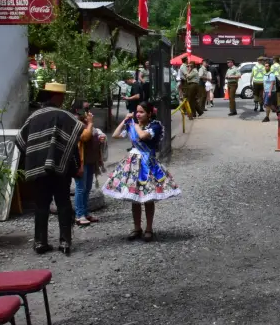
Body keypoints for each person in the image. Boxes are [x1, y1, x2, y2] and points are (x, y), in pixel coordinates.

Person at [15, 82, 86, 256]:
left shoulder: (34, 117)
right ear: (56, 96)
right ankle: (65, 242)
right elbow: (73, 145)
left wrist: (34, 156)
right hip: (61, 169)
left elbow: (20, 140)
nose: (63, 98)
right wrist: (77, 166)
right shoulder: (66, 116)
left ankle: (40, 242)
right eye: (62, 95)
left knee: (41, 204)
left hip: (38, 168)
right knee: (63, 203)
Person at [103, 101, 180, 241]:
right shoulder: (133, 124)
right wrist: (125, 121)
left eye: (141, 112)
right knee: (135, 198)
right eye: (137, 111)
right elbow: (115, 134)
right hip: (132, 163)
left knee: (148, 198)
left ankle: (149, 228)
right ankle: (137, 227)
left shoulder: (155, 126)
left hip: (148, 163)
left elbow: (143, 136)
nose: (138, 114)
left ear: (149, 114)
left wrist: (135, 124)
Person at [71, 100, 103, 226]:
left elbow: (93, 134)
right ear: (77, 110)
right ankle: (79, 215)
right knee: (80, 188)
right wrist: (90, 123)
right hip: (80, 160)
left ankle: (85, 212)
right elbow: (84, 136)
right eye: (85, 109)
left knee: (87, 188)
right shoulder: (75, 122)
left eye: (88, 108)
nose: (88, 112)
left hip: (90, 160)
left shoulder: (86, 122)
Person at [262, 58, 278, 123]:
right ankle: (278, 112)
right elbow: (264, 84)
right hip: (266, 91)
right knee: (270, 105)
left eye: (267, 66)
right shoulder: (265, 74)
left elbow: (272, 83)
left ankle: (267, 117)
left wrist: (270, 92)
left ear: (270, 67)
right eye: (265, 66)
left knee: (267, 104)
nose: (266, 67)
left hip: (271, 91)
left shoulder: (271, 74)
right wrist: (264, 91)